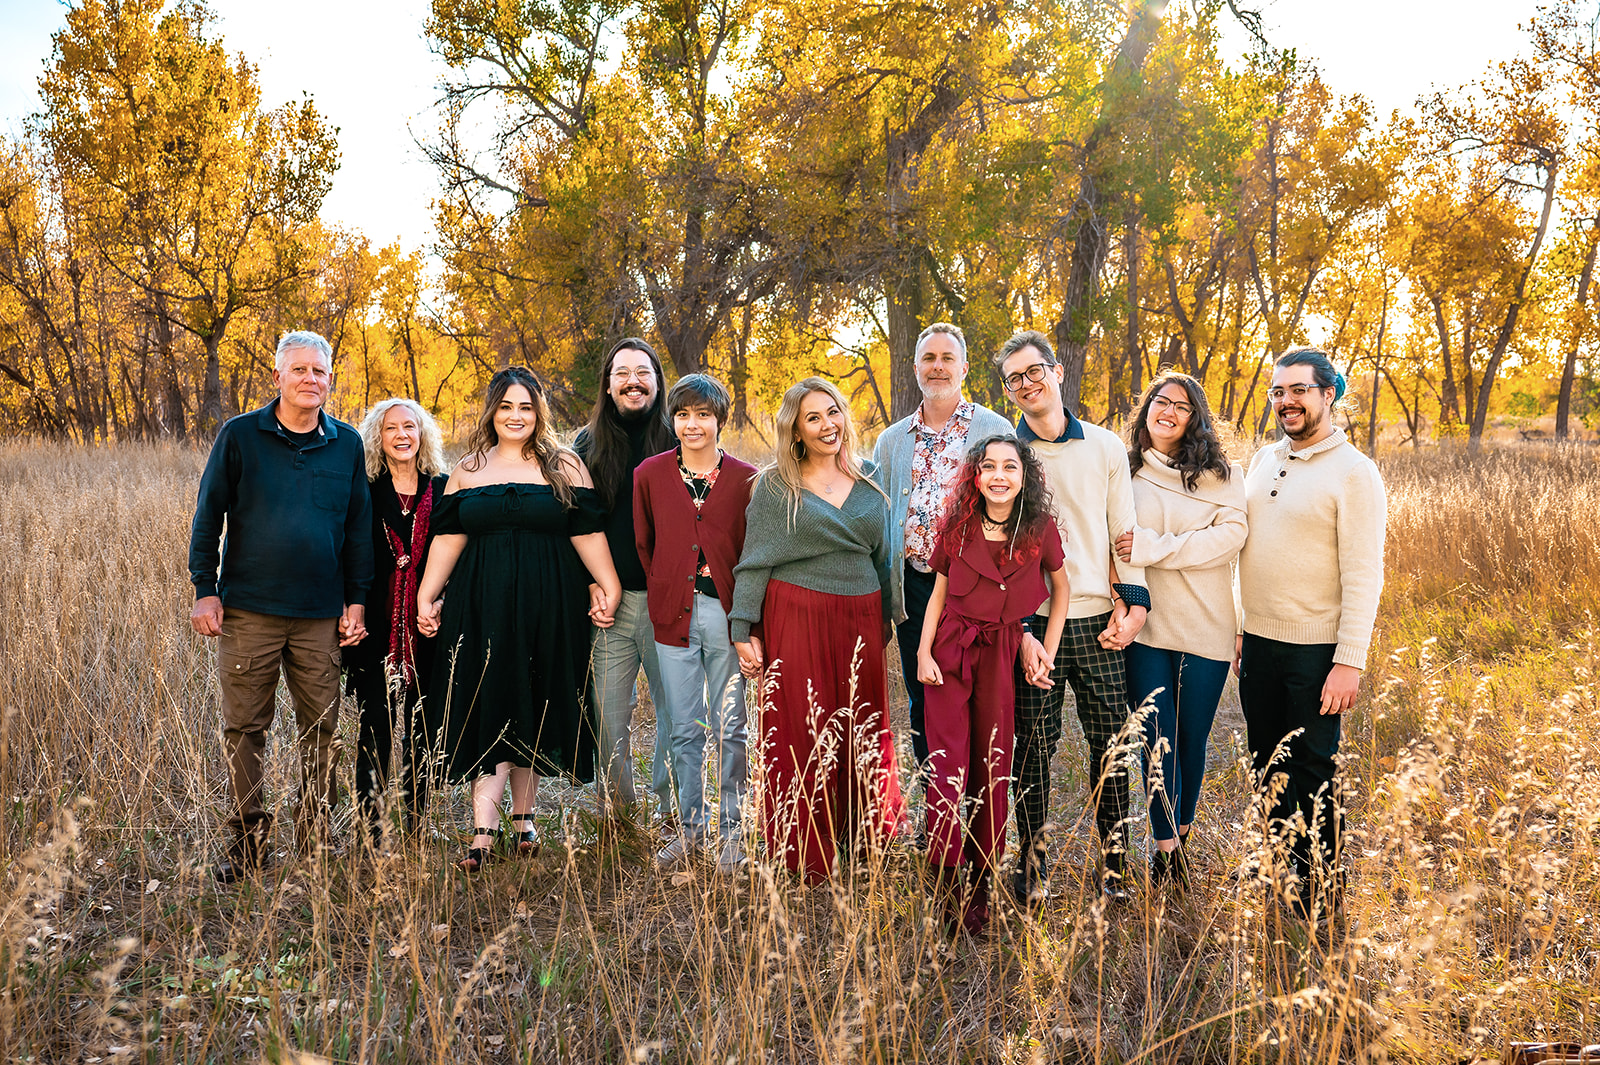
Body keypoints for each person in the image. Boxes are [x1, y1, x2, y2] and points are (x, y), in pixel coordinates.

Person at [416, 367, 622, 872]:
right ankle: (482, 834)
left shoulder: (564, 464)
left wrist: (609, 585)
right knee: (491, 699)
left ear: (538, 413)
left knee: (533, 698)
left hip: (550, 603)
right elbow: (449, 538)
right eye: (506, 406)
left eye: (525, 407)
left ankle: (525, 820)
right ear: (492, 411)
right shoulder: (468, 469)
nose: (515, 416)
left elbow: (586, 532)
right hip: (480, 604)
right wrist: (427, 594)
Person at [188, 330, 373, 883]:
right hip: (250, 611)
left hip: (321, 616)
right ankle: (247, 845)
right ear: (278, 377)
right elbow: (208, 515)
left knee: (322, 729)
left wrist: (357, 601)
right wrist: (204, 588)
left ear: (330, 380)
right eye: (299, 370)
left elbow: (358, 530)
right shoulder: (240, 436)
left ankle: (314, 841)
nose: (310, 380)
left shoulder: (346, 444)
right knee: (245, 729)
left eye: (319, 372)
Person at [997, 329, 1151, 903]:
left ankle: (1114, 868)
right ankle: (1033, 866)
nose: (1026, 384)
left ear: (1057, 371)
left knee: (1111, 746)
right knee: (1033, 748)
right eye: (1014, 379)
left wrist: (1134, 604)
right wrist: (1018, 630)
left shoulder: (1105, 447)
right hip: (1032, 626)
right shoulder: (1006, 454)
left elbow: (1123, 532)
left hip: (1099, 623)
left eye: (1034, 371)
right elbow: (994, 547)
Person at [730, 377, 904, 883]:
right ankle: (806, 849)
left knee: (861, 725)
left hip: (861, 615)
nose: (828, 424)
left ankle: (864, 837)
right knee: (803, 727)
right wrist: (743, 627)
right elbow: (754, 562)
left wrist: (888, 618)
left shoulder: (871, 477)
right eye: (813, 417)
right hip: (796, 614)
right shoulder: (774, 486)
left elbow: (884, 556)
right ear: (796, 431)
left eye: (833, 412)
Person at [1235, 348, 1386, 919]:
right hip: (1259, 642)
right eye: (1278, 391)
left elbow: (1364, 574)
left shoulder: (1354, 472)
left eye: (1299, 390)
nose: (1287, 401)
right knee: (1266, 762)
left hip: (1317, 649)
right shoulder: (1262, 459)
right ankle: (1281, 866)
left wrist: (1349, 661)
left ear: (1328, 394)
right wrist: (1241, 628)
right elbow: (1246, 549)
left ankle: (1322, 889)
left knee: (1313, 767)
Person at [915, 436, 1068, 934]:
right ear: (976, 476)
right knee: (946, 767)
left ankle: (981, 886)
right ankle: (944, 885)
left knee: (991, 766)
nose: (999, 475)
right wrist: (922, 652)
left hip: (1001, 654)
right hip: (950, 650)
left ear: (1025, 477)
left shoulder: (1038, 529)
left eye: (1010, 467)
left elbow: (1062, 589)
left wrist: (1045, 649)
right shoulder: (957, 526)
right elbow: (938, 595)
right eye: (989, 467)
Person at [1114, 372, 1246, 889]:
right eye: (1160, 401)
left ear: (1196, 419)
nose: (1168, 412)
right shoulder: (1125, 473)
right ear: (1146, 409)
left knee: (1191, 739)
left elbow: (1229, 539)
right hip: (1145, 625)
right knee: (1156, 740)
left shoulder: (1223, 476)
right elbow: (1116, 544)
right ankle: (1166, 852)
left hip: (1207, 626)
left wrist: (1153, 547)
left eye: (1182, 406)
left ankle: (1180, 839)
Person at [871, 323, 1012, 798]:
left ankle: (978, 809)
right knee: (925, 698)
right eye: (929, 358)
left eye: (947, 358)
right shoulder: (892, 441)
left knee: (979, 700)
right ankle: (940, 811)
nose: (937, 367)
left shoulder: (994, 429)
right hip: (914, 587)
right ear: (915, 368)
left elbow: (1017, 509)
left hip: (977, 590)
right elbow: (878, 518)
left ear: (964, 368)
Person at [634, 374, 757, 872]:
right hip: (673, 615)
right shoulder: (650, 474)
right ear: (672, 420)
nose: (692, 424)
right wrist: (666, 589)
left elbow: (752, 552)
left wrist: (747, 622)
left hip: (726, 616)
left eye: (703, 415)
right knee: (684, 727)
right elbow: (645, 543)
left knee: (731, 727)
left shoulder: (747, 479)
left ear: (719, 420)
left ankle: (731, 832)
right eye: (683, 414)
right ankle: (691, 828)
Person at [573, 338, 677, 823]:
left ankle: (674, 812)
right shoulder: (585, 445)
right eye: (622, 373)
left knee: (676, 712)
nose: (633, 382)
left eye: (643, 372)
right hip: (608, 605)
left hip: (669, 603)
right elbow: (573, 523)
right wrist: (590, 584)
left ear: (657, 381)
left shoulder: (679, 437)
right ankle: (618, 816)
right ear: (608, 383)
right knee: (608, 715)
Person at [344, 397, 451, 840]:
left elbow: (458, 555)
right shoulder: (365, 490)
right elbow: (349, 553)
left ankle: (417, 824)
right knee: (376, 727)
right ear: (378, 438)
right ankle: (370, 829)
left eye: (410, 426)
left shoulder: (443, 489)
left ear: (422, 434)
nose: (401, 435)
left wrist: (441, 603)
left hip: (430, 625)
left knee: (425, 728)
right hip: (376, 627)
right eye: (391, 428)